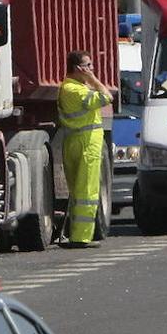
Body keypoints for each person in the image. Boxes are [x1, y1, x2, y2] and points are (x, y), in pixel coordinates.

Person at [58, 50, 112, 248]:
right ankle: (81, 237)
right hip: (86, 143)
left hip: (76, 140)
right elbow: (106, 97)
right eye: (88, 66)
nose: (92, 69)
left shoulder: (70, 87)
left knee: (79, 190)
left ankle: (77, 234)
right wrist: (94, 79)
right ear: (78, 69)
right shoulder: (75, 90)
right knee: (87, 192)